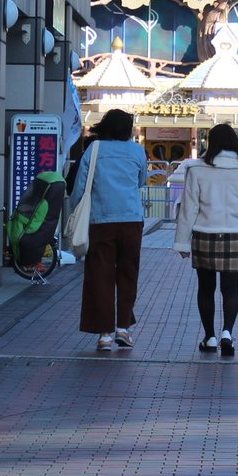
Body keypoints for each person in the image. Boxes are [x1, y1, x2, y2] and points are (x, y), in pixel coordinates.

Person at [174, 123, 238, 357]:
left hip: (204, 233)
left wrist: (182, 242)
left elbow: (189, 208)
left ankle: (209, 337)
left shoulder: (196, 169)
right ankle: (227, 332)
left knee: (205, 289)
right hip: (235, 235)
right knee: (231, 289)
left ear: (211, 143)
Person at [69, 108, 148, 351]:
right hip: (131, 220)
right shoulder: (137, 151)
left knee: (100, 275)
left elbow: (81, 187)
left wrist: (75, 211)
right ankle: (123, 328)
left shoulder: (94, 150)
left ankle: (104, 333)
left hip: (101, 221)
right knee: (128, 273)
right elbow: (141, 181)